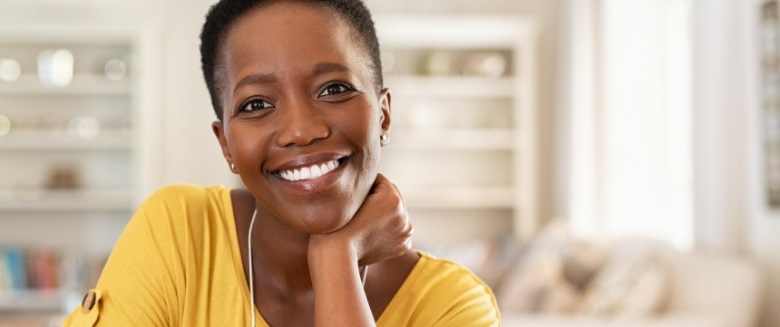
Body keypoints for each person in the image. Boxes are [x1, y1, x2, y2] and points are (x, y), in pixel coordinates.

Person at [64, 0, 500, 325]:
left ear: (383, 114)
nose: (301, 130)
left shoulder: (452, 306)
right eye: (255, 104)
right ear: (227, 145)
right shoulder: (179, 232)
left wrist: (335, 257)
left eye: (333, 89)